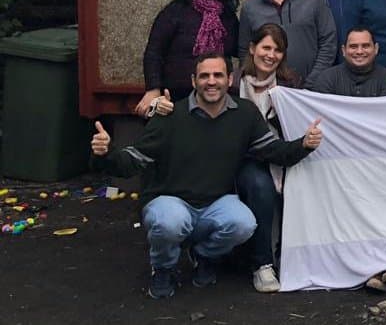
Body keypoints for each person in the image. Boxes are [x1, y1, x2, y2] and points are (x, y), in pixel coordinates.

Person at [90, 53, 323, 299]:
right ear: (193, 81)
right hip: (170, 200)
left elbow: (273, 151)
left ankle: (204, 255)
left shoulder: (244, 114)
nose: (211, 81)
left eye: (218, 75)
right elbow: (133, 161)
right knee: (171, 222)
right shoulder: (171, 116)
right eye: (204, 76)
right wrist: (106, 153)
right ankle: (163, 269)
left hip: (215, 202)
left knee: (243, 223)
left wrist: (304, 145)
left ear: (229, 79)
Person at [232, 24, 299, 293]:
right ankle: (263, 265)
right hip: (244, 158)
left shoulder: (290, 82)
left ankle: (291, 256)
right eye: (266, 47)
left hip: (282, 155)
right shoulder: (233, 82)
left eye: (277, 50)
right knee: (261, 187)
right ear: (252, 48)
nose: (271, 55)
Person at [140, 0, 240, 116]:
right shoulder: (175, 12)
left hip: (217, 98)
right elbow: (154, 52)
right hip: (177, 97)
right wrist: (153, 89)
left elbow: (239, 50)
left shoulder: (228, 16)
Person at [239, 0, 337, 85]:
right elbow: (245, 52)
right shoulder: (250, 8)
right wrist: (257, 83)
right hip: (268, 90)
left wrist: (313, 81)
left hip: (311, 88)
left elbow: (328, 43)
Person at [307, 27, 386, 97]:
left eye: (365, 46)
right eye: (353, 46)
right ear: (343, 50)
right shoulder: (327, 78)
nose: (359, 52)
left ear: (376, 49)